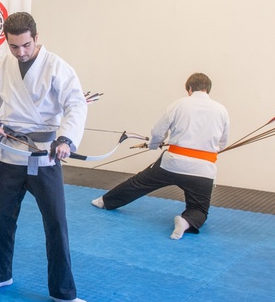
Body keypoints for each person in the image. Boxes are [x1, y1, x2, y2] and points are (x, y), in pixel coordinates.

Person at [0, 12, 94, 302]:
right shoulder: (5, 65)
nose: (21, 52)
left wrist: (66, 139)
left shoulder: (57, 66)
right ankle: (0, 276)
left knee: (56, 224)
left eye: (26, 45)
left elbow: (75, 104)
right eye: (14, 47)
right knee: (0, 220)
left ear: (36, 37)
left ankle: (63, 292)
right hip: (10, 152)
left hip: (45, 156)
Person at [91, 73, 230, 240]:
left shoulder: (179, 104)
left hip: (172, 164)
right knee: (199, 210)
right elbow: (222, 143)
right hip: (203, 170)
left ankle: (104, 201)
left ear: (189, 89)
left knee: (139, 183)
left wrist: (154, 145)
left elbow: (158, 132)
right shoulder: (221, 110)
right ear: (208, 89)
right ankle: (185, 222)